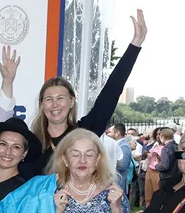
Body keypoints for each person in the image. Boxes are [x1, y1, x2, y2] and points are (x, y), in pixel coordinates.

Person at [20, 10, 148, 179]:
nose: (55, 105)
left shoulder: (85, 131)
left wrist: (135, 45)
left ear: (72, 102)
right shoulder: (29, 143)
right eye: (49, 99)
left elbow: (111, 93)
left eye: (61, 98)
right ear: (42, 104)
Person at [0, 117, 43, 202]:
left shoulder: (23, 191)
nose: (8, 152)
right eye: (3, 144)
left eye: (16, 147)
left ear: (24, 153)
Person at [144, 127, 172, 208]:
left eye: (160, 134)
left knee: (157, 192)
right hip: (150, 169)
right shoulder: (155, 145)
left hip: (158, 171)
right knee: (148, 192)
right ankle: (148, 208)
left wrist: (158, 157)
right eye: (156, 134)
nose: (158, 136)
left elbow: (166, 160)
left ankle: (157, 208)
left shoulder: (167, 147)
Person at [107, 123, 134, 195]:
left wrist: (107, 163)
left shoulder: (124, 146)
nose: (108, 134)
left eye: (110, 132)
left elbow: (122, 166)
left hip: (119, 183)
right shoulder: (116, 144)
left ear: (117, 133)